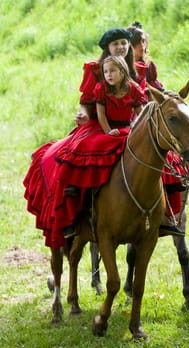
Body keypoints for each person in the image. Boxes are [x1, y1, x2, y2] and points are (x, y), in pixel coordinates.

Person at [23, 52, 146, 249]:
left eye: (113, 71)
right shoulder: (102, 89)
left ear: (123, 71)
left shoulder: (133, 89)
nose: (108, 75)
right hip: (107, 128)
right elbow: (101, 113)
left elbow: (140, 113)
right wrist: (108, 131)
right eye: (105, 71)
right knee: (90, 146)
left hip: (128, 128)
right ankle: (78, 187)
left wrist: (134, 129)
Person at [127, 22, 188, 236]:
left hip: (150, 117)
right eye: (137, 43)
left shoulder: (149, 66)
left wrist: (170, 97)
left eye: (144, 42)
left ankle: (167, 213)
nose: (142, 46)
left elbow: (156, 87)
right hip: (130, 118)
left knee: (171, 159)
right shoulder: (122, 67)